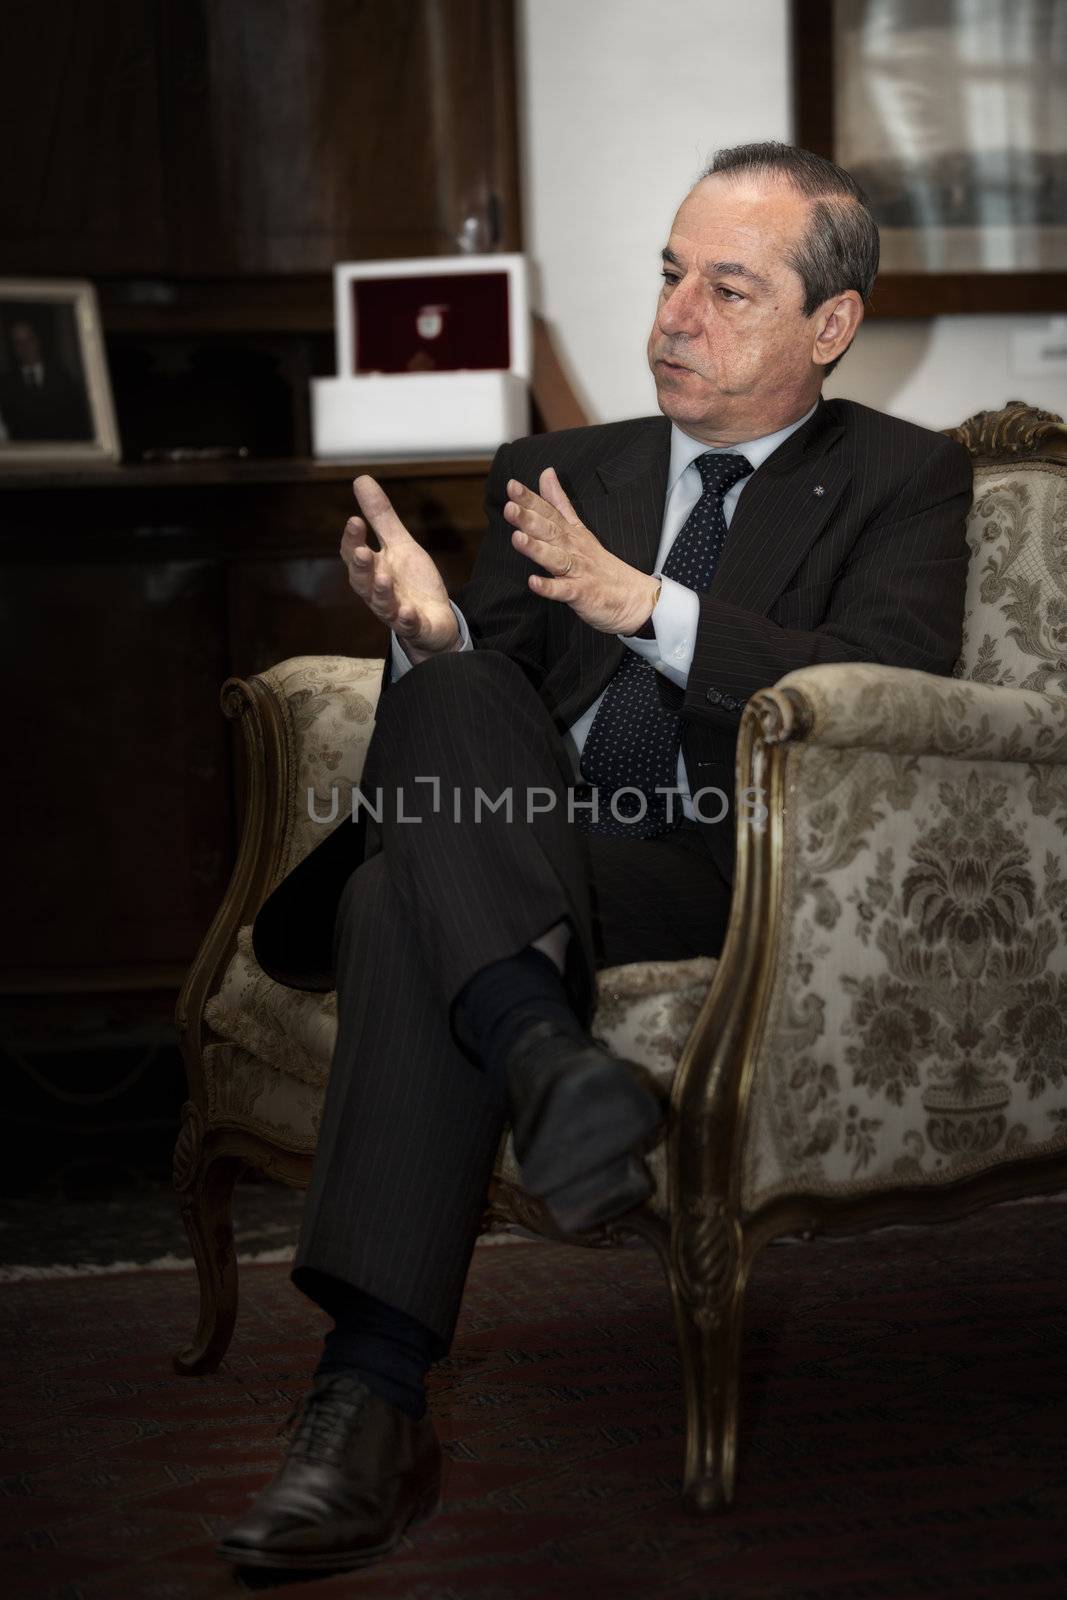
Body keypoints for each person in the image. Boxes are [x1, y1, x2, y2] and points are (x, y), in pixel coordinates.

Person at [218, 142, 972, 1573]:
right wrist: (427, 633)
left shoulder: (904, 479)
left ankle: (368, 1404)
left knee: (401, 893)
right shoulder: (559, 469)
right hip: (512, 840)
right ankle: (545, 1067)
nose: (673, 317)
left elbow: (895, 686)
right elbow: (464, 716)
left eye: (728, 288)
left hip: (712, 854)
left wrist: (649, 606)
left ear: (831, 326)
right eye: (670, 274)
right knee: (432, 770)